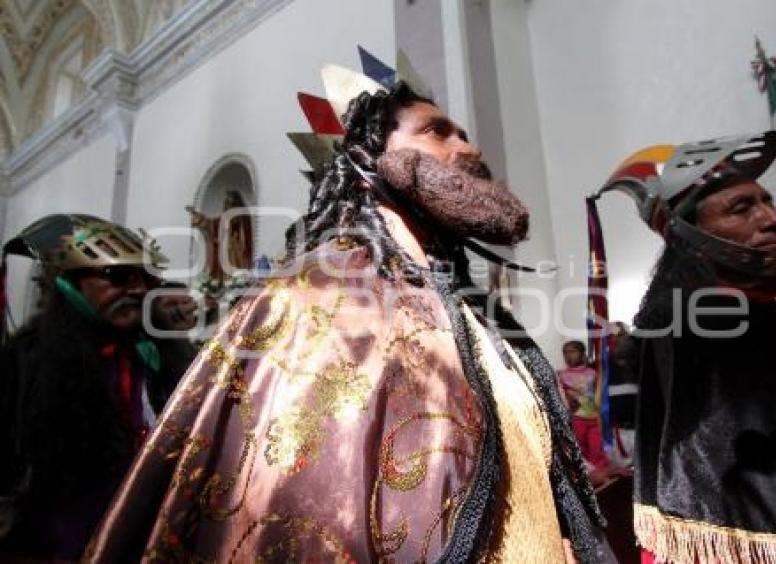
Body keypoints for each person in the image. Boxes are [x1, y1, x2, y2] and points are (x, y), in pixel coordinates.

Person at [84, 64, 604, 562]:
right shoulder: (311, 297)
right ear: (366, 157)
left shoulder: (480, 314)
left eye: (462, 133)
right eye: (437, 131)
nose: (469, 148)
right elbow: (291, 513)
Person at [595, 131, 776, 563]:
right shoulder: (696, 320)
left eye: (767, 201)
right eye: (741, 208)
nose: (773, 219)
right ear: (690, 233)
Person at [0, 214, 198, 561]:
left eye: (143, 278)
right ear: (70, 284)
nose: (136, 290)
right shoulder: (28, 359)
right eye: (117, 277)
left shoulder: (158, 354)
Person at [558, 340, 610, 475]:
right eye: (566, 352)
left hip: (594, 418)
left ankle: (603, 479)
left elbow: (601, 395)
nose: (569, 355)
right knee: (581, 450)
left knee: (597, 449)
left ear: (582, 353)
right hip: (576, 419)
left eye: (573, 351)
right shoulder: (561, 375)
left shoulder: (593, 373)